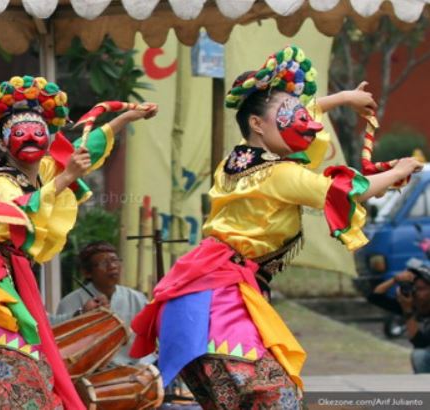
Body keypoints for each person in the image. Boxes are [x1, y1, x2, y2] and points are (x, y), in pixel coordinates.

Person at [130, 45, 422, 409]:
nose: (305, 122)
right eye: (288, 115)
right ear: (257, 124)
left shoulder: (238, 159)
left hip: (197, 301)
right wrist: (400, 170)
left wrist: (345, 98)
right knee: (276, 396)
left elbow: (301, 116)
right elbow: (348, 192)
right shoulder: (280, 174)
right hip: (216, 305)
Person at [0, 74, 157, 409]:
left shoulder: (44, 171)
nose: (31, 137)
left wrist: (127, 117)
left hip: (9, 275)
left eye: (39, 131)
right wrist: (68, 176)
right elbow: (16, 211)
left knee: (30, 379)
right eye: (20, 132)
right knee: (27, 381)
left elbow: (88, 149)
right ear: (2, 144)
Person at [56, 241, 154, 365]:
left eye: (115, 260)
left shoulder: (137, 298)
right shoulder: (70, 302)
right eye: (104, 263)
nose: (112, 266)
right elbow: (63, 346)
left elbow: (149, 338)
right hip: (87, 373)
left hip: (133, 370)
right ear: (87, 273)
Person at [375, 263, 430, 373]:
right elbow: (375, 296)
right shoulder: (412, 304)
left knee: (420, 355)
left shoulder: (409, 307)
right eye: (414, 289)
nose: (416, 293)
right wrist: (395, 280)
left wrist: (408, 311)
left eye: (421, 289)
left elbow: (420, 343)